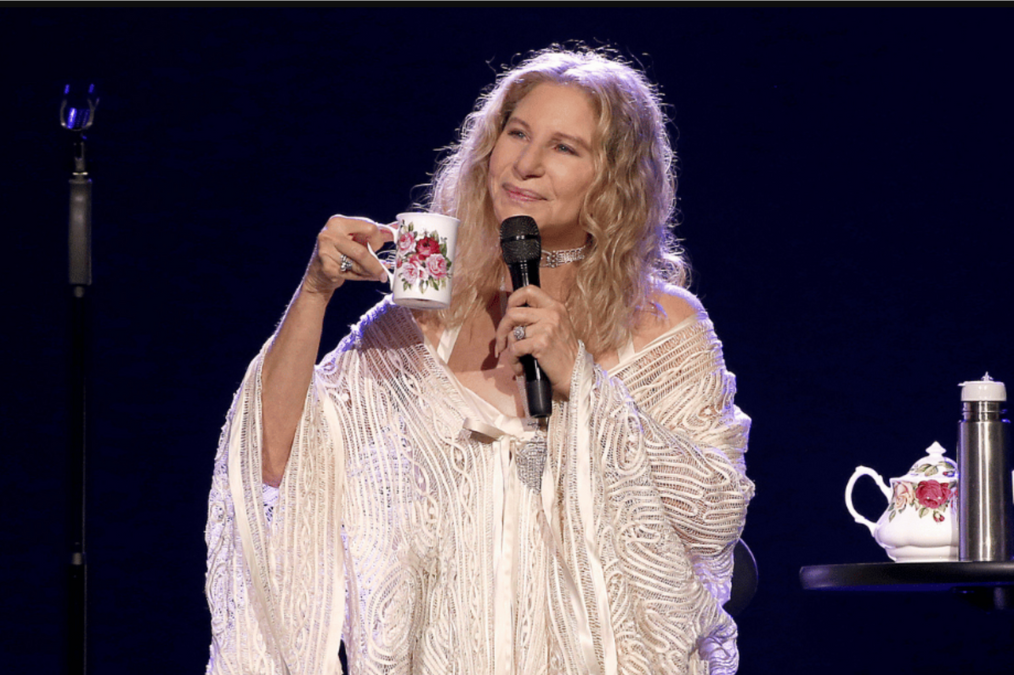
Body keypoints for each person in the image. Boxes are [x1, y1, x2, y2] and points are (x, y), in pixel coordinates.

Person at [205, 47, 754, 675]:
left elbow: (714, 513)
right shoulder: (429, 296)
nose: (525, 164)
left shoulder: (663, 323)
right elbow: (276, 457)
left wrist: (581, 382)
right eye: (516, 133)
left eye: (563, 148)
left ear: (613, 180)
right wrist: (315, 292)